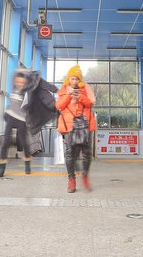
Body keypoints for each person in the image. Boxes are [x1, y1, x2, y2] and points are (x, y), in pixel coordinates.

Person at [56, 64, 95, 193]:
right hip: (69, 126)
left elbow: (90, 104)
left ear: (80, 80)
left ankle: (85, 177)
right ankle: (71, 180)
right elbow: (59, 106)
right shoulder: (63, 91)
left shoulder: (85, 90)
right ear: (68, 79)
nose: (74, 81)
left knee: (87, 153)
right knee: (70, 154)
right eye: (72, 78)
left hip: (85, 125)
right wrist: (69, 96)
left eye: (77, 79)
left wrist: (80, 97)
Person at [0, 70, 34, 178]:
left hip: (22, 119)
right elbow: (13, 74)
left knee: (24, 142)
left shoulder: (27, 93)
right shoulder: (13, 89)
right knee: (5, 142)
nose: (20, 84)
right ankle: (1, 168)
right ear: (15, 82)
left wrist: (29, 74)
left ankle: (27, 163)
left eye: (22, 82)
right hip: (11, 116)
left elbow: (33, 82)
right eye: (18, 82)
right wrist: (22, 70)